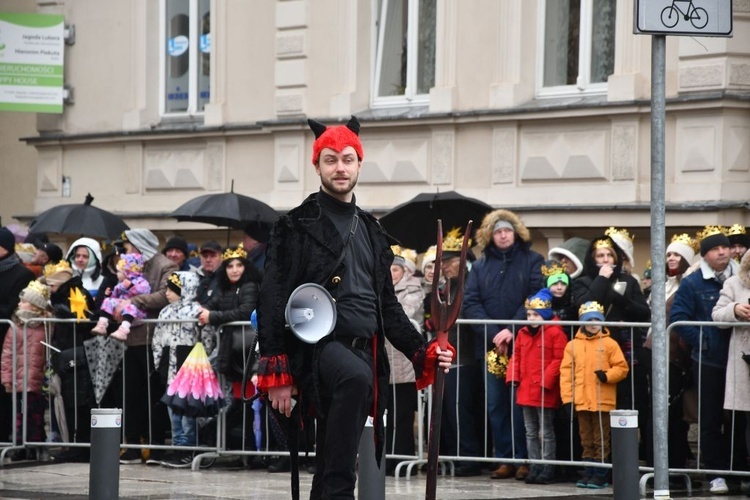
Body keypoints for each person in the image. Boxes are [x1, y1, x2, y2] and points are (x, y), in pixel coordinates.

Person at [255, 116, 454, 500]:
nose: (340, 167)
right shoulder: (294, 225)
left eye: (348, 159)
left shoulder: (374, 232)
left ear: (360, 163)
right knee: (353, 388)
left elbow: (388, 308)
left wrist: (422, 350)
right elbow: (272, 297)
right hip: (317, 350)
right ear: (317, 166)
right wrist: (276, 367)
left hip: (365, 352)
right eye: (330, 160)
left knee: (334, 449)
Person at [462, 209, 544, 480]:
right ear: (490, 236)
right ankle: (504, 459)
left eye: (507, 230)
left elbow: (534, 298)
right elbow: (471, 303)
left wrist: (511, 330)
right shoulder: (480, 266)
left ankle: (523, 459)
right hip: (491, 347)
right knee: (496, 405)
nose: (503, 235)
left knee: (520, 405)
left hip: (524, 345)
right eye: (498, 231)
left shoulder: (533, 260)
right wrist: (495, 334)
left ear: (516, 232)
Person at [670, 225, 739, 495]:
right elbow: (678, 319)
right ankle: (716, 473)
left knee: (739, 418)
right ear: (705, 255)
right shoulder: (692, 282)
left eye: (725, 246)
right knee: (710, 418)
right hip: (709, 360)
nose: (723, 251)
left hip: (740, 358)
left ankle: (739, 469)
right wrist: (704, 340)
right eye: (715, 248)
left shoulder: (742, 276)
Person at [115, 228, 177, 465]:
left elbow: (164, 295)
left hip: (154, 340)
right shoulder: (132, 265)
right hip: (132, 339)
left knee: (153, 395)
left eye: (129, 245)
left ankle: (155, 445)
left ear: (140, 244)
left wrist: (132, 301)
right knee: (131, 394)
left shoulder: (166, 265)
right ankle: (131, 444)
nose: (126, 251)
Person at [559, 301, 629, 489]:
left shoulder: (609, 343)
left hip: (602, 400)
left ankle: (601, 473)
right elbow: (566, 374)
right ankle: (589, 470)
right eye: (589, 320)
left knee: (601, 439)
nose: (593, 323)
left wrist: (607, 375)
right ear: (582, 322)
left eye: (597, 319)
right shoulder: (572, 345)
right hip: (582, 400)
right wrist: (568, 399)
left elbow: (622, 367)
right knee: (586, 438)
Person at [644, 232, 696, 468]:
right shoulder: (662, 284)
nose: (671, 258)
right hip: (654, 351)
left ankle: (674, 463)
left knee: (674, 412)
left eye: (677, 254)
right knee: (658, 410)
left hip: (676, 355)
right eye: (669, 254)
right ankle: (660, 463)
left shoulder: (689, 284)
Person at [506, 288, 567, 485]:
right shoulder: (523, 334)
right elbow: (516, 357)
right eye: (529, 314)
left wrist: (545, 381)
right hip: (526, 388)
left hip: (543, 390)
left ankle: (547, 466)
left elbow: (559, 360)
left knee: (546, 431)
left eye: (535, 314)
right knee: (530, 430)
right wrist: (513, 377)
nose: (531, 318)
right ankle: (535, 465)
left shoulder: (555, 333)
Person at [43, 260, 96, 462]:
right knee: (67, 401)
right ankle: (73, 444)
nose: (51, 289)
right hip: (65, 352)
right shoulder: (63, 295)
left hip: (79, 355)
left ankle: (81, 446)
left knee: (80, 403)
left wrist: (63, 311)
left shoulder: (77, 294)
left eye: (53, 285)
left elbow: (84, 322)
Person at [152, 271, 203, 468]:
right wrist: (159, 362)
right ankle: (177, 446)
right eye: (167, 289)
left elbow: (205, 338)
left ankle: (188, 448)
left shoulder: (196, 311)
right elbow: (157, 339)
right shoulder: (165, 312)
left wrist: (202, 361)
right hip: (169, 367)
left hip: (189, 365)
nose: (167, 293)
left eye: (172, 289)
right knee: (172, 407)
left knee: (187, 408)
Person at [385, 245, 425, 476]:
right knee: (386, 414)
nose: (391, 273)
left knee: (402, 414)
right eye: (388, 269)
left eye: (395, 269)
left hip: (403, 362)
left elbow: (406, 315)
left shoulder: (412, 289)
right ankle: (387, 459)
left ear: (404, 271)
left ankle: (402, 457)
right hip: (384, 362)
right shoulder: (380, 289)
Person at [1, 281, 52, 457]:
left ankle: (34, 444)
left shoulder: (46, 325)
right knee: (20, 415)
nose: (19, 304)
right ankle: (22, 447)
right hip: (19, 382)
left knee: (35, 415)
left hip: (38, 382)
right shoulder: (15, 326)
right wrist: (7, 378)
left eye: (24, 301)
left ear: (35, 305)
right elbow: (7, 355)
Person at [198, 243, 261, 382]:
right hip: (230, 344)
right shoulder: (225, 287)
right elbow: (212, 304)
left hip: (246, 345)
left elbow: (246, 312)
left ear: (246, 267)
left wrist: (212, 316)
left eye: (239, 265)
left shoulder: (249, 285)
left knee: (245, 386)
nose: (234, 270)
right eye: (230, 266)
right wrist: (202, 310)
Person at [0, 226, 35, 443]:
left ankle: (6, 436)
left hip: (9, 339)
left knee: (6, 392)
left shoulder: (22, 274)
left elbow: (14, 307)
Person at [91, 253, 151, 341]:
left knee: (130, 307)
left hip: (137, 313)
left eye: (119, 272)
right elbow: (115, 295)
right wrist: (109, 295)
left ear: (128, 272)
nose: (117, 274)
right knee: (108, 301)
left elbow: (145, 291)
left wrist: (132, 287)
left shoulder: (141, 281)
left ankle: (123, 330)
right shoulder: (121, 283)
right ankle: (102, 324)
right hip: (121, 311)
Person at [195, 240, 223, 305]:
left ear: (221, 258)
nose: (208, 260)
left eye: (213, 256)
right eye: (205, 256)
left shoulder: (226, 278)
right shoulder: (193, 277)